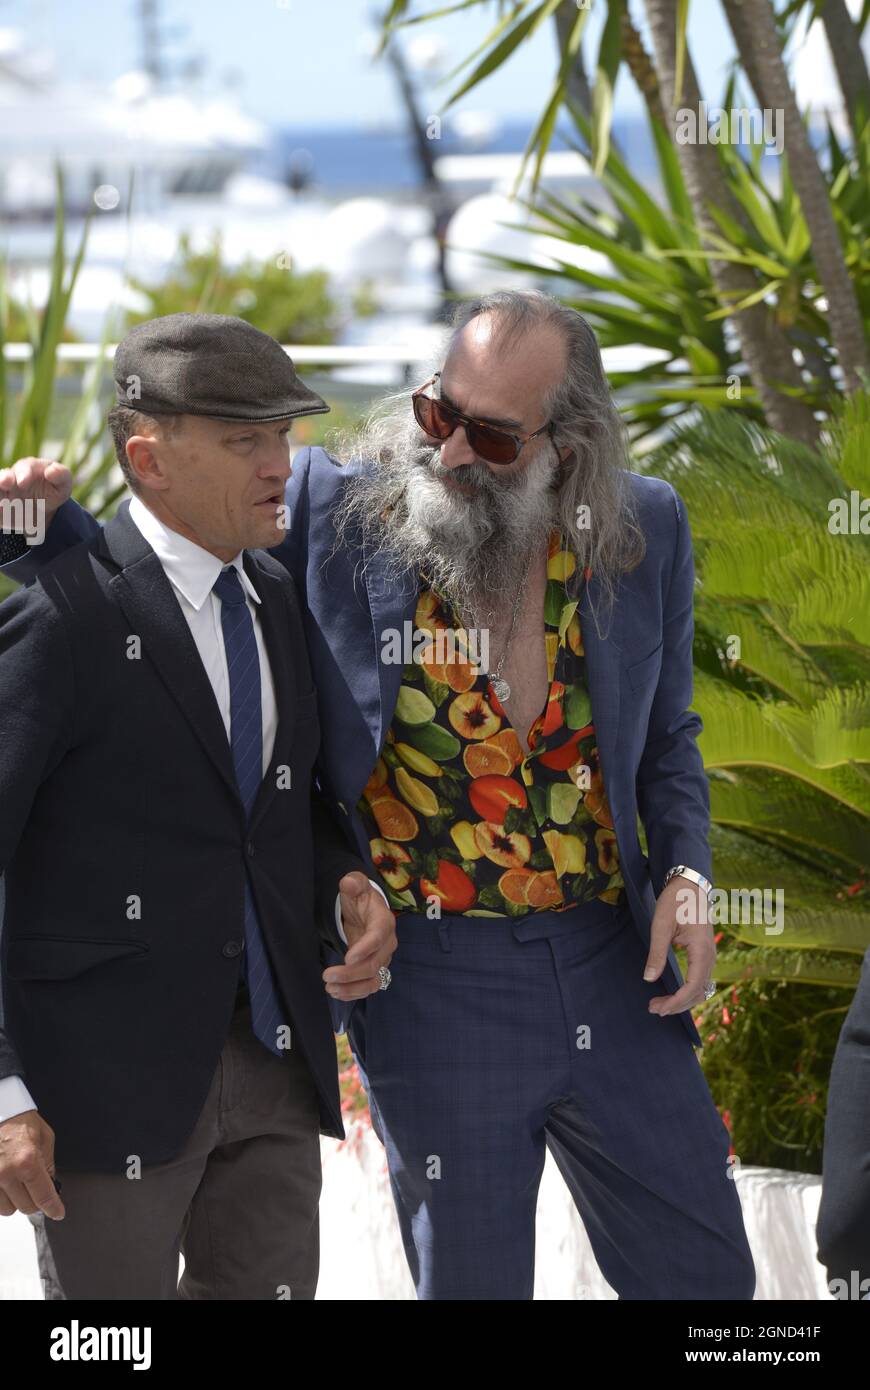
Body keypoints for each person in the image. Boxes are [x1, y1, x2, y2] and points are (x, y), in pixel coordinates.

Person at [1, 290, 755, 1300]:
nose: (445, 453)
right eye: (439, 409)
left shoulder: (644, 526)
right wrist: (45, 539)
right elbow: (178, 546)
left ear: (568, 447)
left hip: (614, 961)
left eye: (488, 435)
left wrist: (689, 871)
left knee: (708, 1279)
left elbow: (668, 736)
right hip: (435, 974)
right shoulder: (329, 508)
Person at [0, 313, 396, 1300]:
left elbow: (276, 805)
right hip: (106, 1093)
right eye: (244, 439)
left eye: (285, 434)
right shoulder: (60, 609)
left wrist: (344, 880)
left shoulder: (272, 592)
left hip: (274, 1065)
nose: (279, 463)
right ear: (150, 457)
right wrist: (4, 1092)